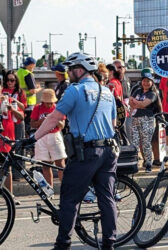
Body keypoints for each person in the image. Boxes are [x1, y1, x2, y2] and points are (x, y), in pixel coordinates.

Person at [21, 52, 118, 249]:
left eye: (70, 69)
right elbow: (113, 123)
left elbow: (54, 118)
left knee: (69, 197)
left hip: (87, 152)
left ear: (79, 70)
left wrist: (32, 138)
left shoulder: (75, 90)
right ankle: (110, 243)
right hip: (109, 151)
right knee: (106, 198)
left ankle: (63, 244)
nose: (67, 73)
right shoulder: (106, 91)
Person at [30, 89, 66, 187]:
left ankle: (65, 189)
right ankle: (49, 190)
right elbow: (32, 124)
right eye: (47, 103)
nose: (49, 105)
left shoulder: (58, 108)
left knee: (60, 164)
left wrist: (55, 120)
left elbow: (62, 125)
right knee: (46, 165)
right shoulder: (37, 108)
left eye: (51, 103)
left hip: (55, 135)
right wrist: (41, 121)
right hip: (42, 136)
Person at [130, 70, 161, 173]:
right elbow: (131, 102)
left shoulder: (152, 93)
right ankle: (134, 163)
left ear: (152, 82)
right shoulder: (137, 90)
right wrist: (139, 104)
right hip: (135, 119)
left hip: (147, 119)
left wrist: (137, 103)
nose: (146, 83)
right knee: (135, 142)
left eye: (148, 81)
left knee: (146, 143)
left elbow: (144, 104)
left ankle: (148, 163)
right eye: (144, 80)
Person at [0, 80, 24, 204]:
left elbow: (21, 118)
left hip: (7, 139)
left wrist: (12, 109)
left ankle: (10, 196)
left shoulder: (8, 101)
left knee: (7, 169)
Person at [3, 70, 27, 181]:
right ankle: (7, 172)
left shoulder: (20, 92)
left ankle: (18, 173)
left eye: (12, 80)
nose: (9, 83)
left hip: (17, 120)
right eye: (7, 80)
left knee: (19, 146)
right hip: (7, 122)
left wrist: (15, 101)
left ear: (16, 81)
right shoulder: (3, 90)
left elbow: (24, 107)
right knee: (6, 147)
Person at [16, 57, 42, 134]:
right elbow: (32, 91)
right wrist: (39, 89)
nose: (34, 67)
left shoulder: (19, 72)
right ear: (31, 65)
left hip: (19, 102)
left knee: (20, 124)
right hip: (29, 103)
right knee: (28, 126)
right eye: (34, 65)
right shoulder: (28, 74)